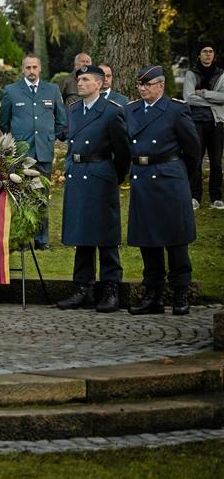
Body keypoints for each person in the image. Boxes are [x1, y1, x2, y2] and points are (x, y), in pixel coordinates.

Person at [126, 65, 200, 316]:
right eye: (140, 85)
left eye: (147, 84)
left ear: (160, 85)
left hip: (169, 180)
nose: (142, 88)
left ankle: (180, 292)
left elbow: (193, 152)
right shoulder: (131, 110)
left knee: (176, 239)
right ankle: (153, 294)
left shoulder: (176, 111)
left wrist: (178, 176)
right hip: (142, 179)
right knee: (148, 241)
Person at [57, 65, 131, 312]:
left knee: (106, 234)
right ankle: (82, 287)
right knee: (81, 234)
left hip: (101, 175)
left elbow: (123, 152)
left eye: (86, 79)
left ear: (99, 84)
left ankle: (110, 287)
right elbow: (71, 144)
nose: (81, 83)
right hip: (78, 175)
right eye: (79, 79)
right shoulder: (74, 110)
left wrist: (112, 176)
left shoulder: (111, 112)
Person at [0, 53, 67, 249]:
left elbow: (61, 120)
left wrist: (51, 136)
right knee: (20, 196)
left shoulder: (52, 90)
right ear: (22, 69)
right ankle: (22, 239)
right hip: (21, 153)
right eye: (28, 68)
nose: (31, 71)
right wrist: (14, 144)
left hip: (44, 150)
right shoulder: (11, 91)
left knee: (42, 195)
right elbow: (4, 122)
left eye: (35, 67)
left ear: (40, 69)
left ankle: (41, 239)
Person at [183, 42, 223, 210]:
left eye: (211, 51)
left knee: (216, 162)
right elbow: (189, 98)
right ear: (199, 55)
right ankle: (195, 197)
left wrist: (204, 93)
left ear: (214, 55)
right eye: (204, 51)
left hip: (216, 122)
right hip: (196, 122)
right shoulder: (191, 73)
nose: (208, 54)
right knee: (196, 160)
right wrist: (215, 99)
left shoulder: (221, 74)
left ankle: (216, 198)